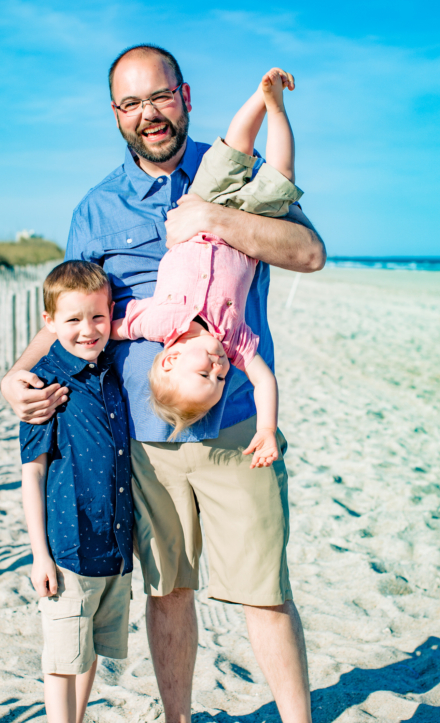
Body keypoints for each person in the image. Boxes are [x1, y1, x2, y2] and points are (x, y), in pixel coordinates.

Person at [3, 44, 355, 723]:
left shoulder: (233, 169)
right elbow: (74, 312)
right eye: (131, 104)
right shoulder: (96, 207)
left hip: (235, 432)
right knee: (168, 593)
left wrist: (213, 217)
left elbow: (308, 252)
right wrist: (16, 373)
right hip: (142, 442)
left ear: (185, 96)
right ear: (115, 115)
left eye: (159, 97)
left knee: (265, 596)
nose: (148, 115)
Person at [110, 68, 300, 460]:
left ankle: (259, 96)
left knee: (234, 151)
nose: (217, 368)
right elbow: (264, 380)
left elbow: (114, 327)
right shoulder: (234, 341)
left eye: (204, 373)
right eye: (219, 379)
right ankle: (278, 110)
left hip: (200, 206)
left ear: (171, 360)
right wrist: (267, 429)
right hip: (245, 225)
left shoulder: (157, 322)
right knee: (280, 176)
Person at [19, 260, 133, 723]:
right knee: (62, 660)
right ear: (49, 322)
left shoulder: (112, 371)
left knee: (87, 654)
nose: (87, 330)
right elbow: (33, 474)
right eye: (72, 320)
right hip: (68, 548)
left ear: (111, 316)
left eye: (98, 317)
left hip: (114, 544)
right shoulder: (44, 384)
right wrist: (39, 554)